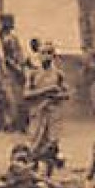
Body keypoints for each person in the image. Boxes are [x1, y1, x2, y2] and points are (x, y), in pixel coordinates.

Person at [24, 41, 70, 176]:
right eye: (43, 53)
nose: (46, 56)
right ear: (38, 55)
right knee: (35, 143)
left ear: (54, 56)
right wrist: (47, 90)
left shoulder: (58, 74)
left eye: (49, 53)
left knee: (51, 144)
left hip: (53, 113)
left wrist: (56, 96)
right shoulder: (33, 74)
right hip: (37, 113)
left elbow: (66, 94)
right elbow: (26, 94)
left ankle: (48, 175)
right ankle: (32, 173)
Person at [0, 15, 27, 132]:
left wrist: (21, 66)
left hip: (16, 70)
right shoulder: (2, 39)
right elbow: (5, 57)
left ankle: (18, 123)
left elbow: (19, 54)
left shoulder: (13, 37)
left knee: (18, 97)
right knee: (8, 98)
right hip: (8, 70)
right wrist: (16, 67)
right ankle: (10, 123)